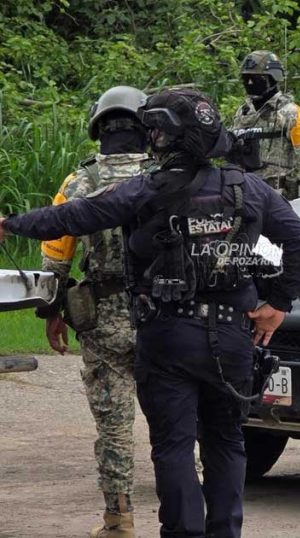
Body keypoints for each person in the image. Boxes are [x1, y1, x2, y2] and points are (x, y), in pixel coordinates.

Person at [0, 88, 300, 538]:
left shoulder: (146, 190)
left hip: (169, 334)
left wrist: (11, 224)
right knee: (226, 442)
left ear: (164, 137)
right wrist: (277, 305)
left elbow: (74, 217)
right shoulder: (249, 188)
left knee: (174, 445)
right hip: (234, 335)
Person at [35, 85, 150, 538]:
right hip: (165, 316)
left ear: (98, 129)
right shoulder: (168, 177)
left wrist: (53, 314)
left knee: (114, 425)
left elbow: (55, 262)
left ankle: (119, 520)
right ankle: (189, 503)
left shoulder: (78, 184)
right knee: (179, 417)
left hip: (103, 319)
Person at [230, 50, 300, 200]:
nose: (250, 83)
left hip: (279, 197)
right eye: (246, 78)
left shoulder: (291, 112)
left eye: (255, 78)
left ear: (272, 78)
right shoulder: (243, 112)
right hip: (247, 193)